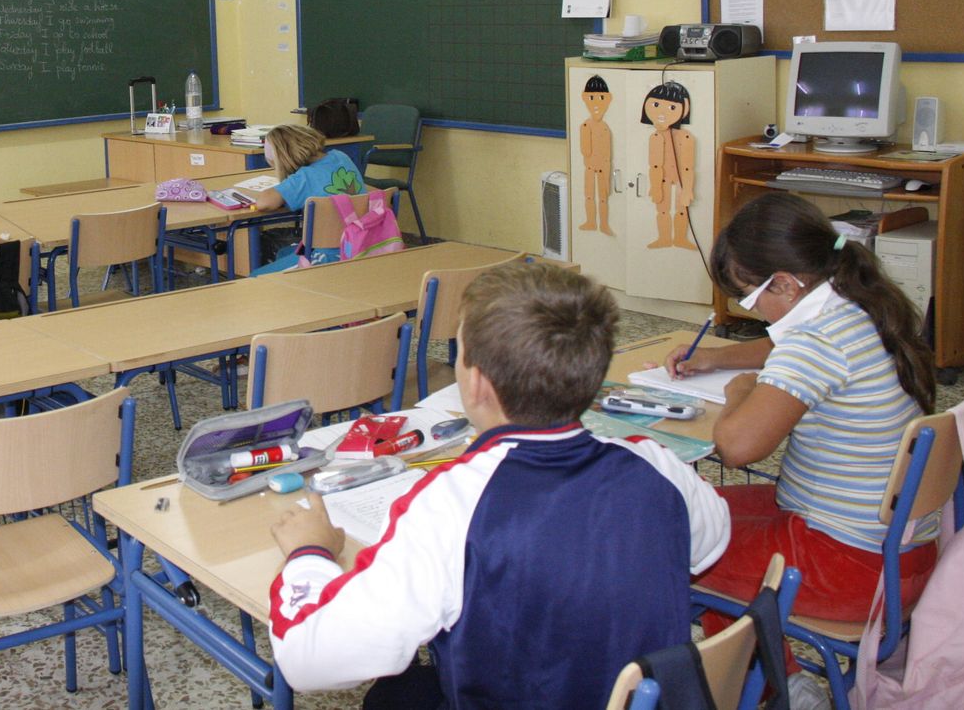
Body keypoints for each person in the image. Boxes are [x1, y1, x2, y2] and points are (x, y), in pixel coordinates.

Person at [268, 262, 730, 709]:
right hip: (637, 698)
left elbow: (310, 661)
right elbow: (710, 544)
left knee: (393, 692)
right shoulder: (657, 465)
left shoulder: (451, 503)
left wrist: (308, 554)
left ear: (476, 383)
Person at [669, 192, 938, 642]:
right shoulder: (855, 301)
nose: (748, 309)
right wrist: (718, 359)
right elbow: (781, 348)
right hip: (895, 551)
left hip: (848, 568)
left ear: (787, 284)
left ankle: (773, 681)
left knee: (669, 542)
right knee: (690, 510)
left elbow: (737, 447)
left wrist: (741, 392)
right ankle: (770, 670)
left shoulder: (816, 341)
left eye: (749, 296)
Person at [251, 124, 365, 272]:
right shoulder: (340, 157)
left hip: (329, 255)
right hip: (360, 243)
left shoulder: (304, 177)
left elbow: (263, 203)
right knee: (284, 253)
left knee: (255, 278)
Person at [642, 80, 697, 250]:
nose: (662, 112)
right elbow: (655, 164)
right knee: (662, 210)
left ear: (684, 109)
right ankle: (664, 238)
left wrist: (687, 189)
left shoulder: (685, 137)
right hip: (662, 180)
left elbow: (688, 167)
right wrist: (655, 185)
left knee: (681, 209)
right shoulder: (655, 137)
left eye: (672, 107)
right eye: (656, 105)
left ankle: (680, 238)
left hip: (680, 180)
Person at [578, 74, 614, 235]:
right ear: (585, 98)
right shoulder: (586, 125)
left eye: (601, 98)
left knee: (603, 196)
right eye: (591, 98)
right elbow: (585, 150)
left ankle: (604, 224)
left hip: (603, 167)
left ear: (608, 99)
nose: (596, 103)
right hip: (590, 168)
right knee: (589, 195)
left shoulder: (605, 126)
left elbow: (607, 151)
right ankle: (591, 221)